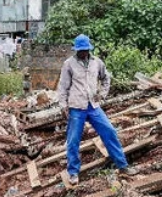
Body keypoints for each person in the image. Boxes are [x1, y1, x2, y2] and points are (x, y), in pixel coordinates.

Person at [57, 34, 140, 185]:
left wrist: (102, 94)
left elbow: (106, 78)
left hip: (93, 106)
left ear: (89, 49)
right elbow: (62, 87)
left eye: (85, 50)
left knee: (109, 131)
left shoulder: (97, 62)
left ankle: (122, 166)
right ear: (76, 50)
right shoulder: (68, 64)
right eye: (80, 50)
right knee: (73, 140)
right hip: (76, 107)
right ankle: (73, 173)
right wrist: (63, 106)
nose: (82, 53)